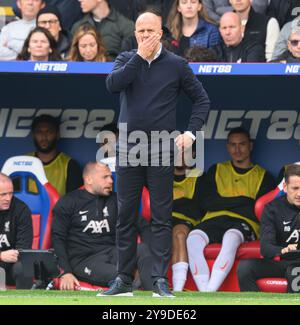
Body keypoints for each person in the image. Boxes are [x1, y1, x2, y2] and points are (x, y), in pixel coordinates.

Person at [101, 8, 210, 298]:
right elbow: (112, 85)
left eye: (150, 31)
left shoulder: (176, 64)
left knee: (161, 216)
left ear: (160, 32)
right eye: (140, 31)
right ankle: (123, 279)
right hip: (128, 146)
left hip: (162, 146)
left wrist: (190, 132)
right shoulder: (126, 59)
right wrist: (138, 56)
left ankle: (159, 279)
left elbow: (201, 100)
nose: (145, 35)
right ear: (135, 33)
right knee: (125, 215)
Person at [186, 127, 275, 292]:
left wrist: (223, 201)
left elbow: (255, 211)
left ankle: (210, 292)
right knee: (192, 239)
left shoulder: (263, 176)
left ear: (250, 146)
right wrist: (243, 200)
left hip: (243, 223)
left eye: (242, 144)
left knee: (231, 238)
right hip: (214, 219)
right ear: (227, 147)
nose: (237, 149)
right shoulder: (216, 169)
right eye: (233, 145)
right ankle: (204, 291)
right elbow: (206, 203)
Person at [52, 162, 152, 291]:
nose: (111, 181)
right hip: (84, 260)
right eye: (105, 177)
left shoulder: (117, 201)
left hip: (113, 252)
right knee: (121, 277)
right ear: (89, 179)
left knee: (143, 249)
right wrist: (65, 272)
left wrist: (151, 255)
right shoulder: (68, 202)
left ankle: (157, 297)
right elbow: (57, 238)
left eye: (111, 177)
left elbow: (143, 226)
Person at [238, 164, 300, 292]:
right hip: (283, 261)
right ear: (285, 187)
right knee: (245, 267)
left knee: (294, 273)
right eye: (295, 188)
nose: (299, 193)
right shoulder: (272, 209)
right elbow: (266, 249)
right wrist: (284, 250)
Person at [171, 151, 207, 292]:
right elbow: (156, 204)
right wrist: (183, 201)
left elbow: (198, 207)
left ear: (192, 154)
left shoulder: (198, 175)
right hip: (162, 220)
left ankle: (178, 289)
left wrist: (172, 203)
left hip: (187, 220)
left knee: (179, 234)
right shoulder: (161, 175)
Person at [27, 114, 83, 196]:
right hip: (26, 209)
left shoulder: (69, 165)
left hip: (58, 209)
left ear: (57, 135)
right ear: (33, 135)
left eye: (49, 132)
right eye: (39, 132)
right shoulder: (22, 162)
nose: (44, 137)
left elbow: (73, 203)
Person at [0, 173, 33, 289]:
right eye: (3, 194)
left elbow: (23, 249)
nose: (8, 198)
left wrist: (9, 256)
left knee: (23, 267)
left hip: (11, 265)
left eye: (11, 193)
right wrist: (1, 256)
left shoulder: (21, 210)